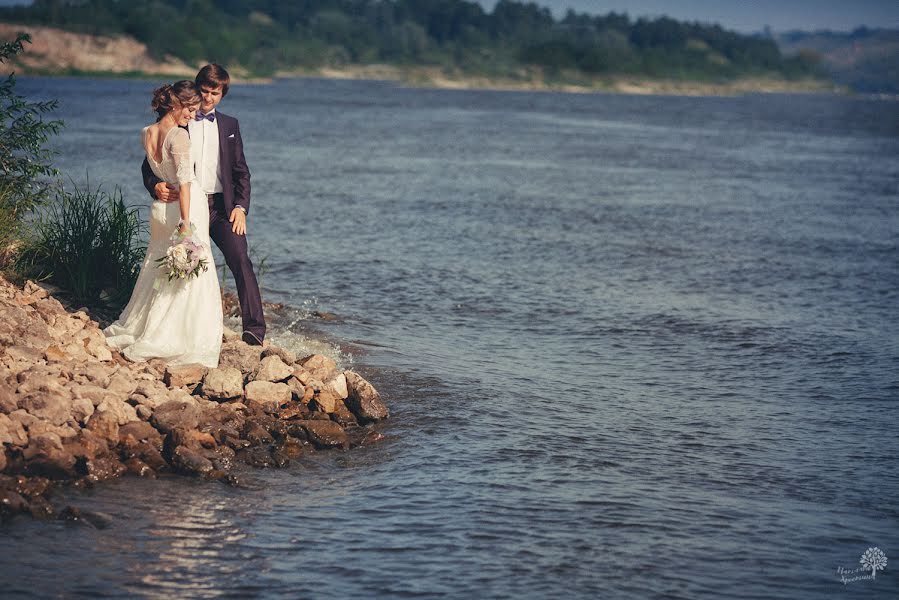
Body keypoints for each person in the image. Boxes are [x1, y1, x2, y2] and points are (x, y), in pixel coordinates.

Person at [142, 64, 266, 346]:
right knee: (178, 265)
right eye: (204, 91)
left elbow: (241, 172)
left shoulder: (231, 125)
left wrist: (241, 208)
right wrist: (154, 185)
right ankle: (176, 327)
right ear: (197, 90)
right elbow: (151, 163)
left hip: (223, 208)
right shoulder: (179, 121)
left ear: (223, 94)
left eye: (215, 93)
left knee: (240, 259)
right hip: (186, 207)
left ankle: (255, 332)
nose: (208, 98)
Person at [104, 81, 223, 367]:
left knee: (157, 266)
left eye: (196, 110)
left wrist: (159, 188)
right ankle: (180, 335)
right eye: (190, 109)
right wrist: (186, 223)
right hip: (185, 209)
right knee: (191, 271)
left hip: (160, 210)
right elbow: (184, 184)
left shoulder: (147, 133)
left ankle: (144, 325)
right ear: (174, 105)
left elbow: (155, 170)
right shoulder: (178, 136)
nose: (192, 116)